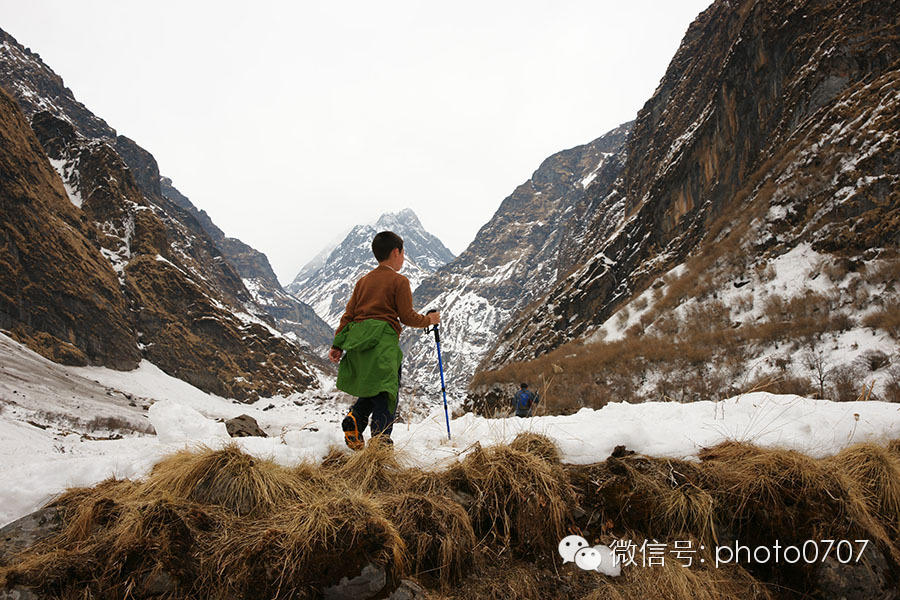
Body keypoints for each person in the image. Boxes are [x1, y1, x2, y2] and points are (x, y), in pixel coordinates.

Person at [329, 231, 440, 449]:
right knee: (387, 392)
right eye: (403, 253)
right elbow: (407, 316)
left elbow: (348, 315)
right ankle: (381, 442)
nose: (403, 258)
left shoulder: (363, 282)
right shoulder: (399, 281)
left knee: (373, 388)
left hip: (358, 343)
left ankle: (354, 420)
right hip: (383, 343)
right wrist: (429, 320)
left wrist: (337, 345)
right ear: (396, 252)